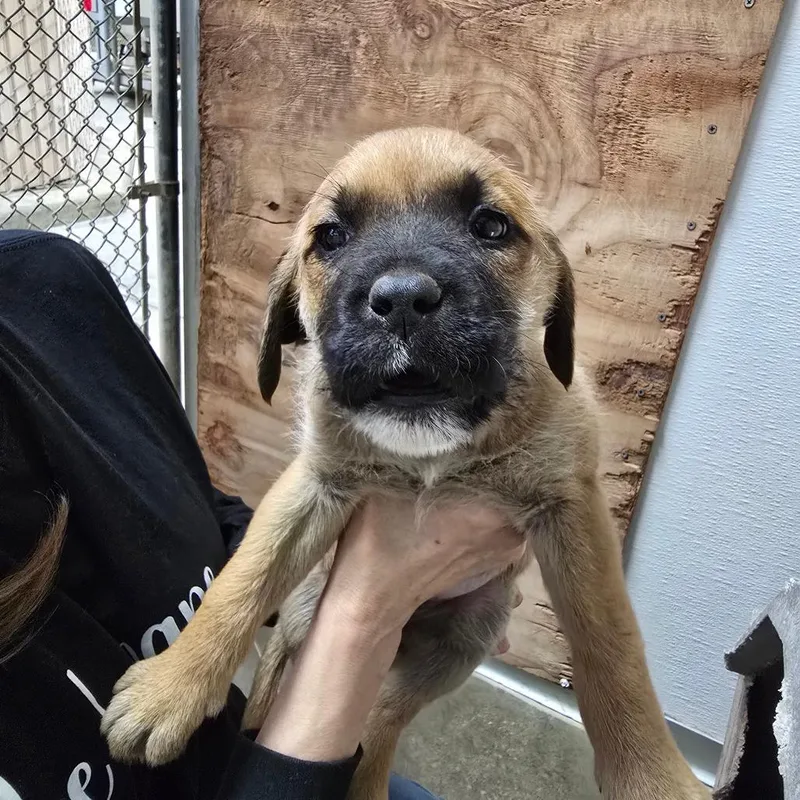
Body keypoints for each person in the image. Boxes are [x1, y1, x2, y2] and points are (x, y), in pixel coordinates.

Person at [0, 231, 525, 800]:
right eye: (334, 238)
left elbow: (199, 505)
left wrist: (371, 565)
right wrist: (367, 602)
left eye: (487, 229)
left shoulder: (52, 278)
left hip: (250, 743)